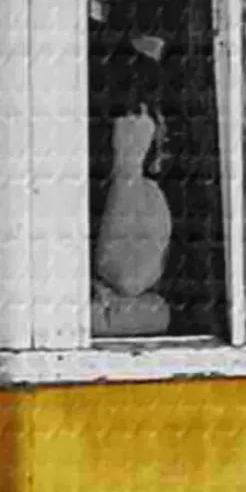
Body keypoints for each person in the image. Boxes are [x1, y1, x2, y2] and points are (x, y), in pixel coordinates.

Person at [90, 48, 172, 337]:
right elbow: (126, 275)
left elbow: (129, 278)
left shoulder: (145, 194)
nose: (164, 129)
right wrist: (128, 166)